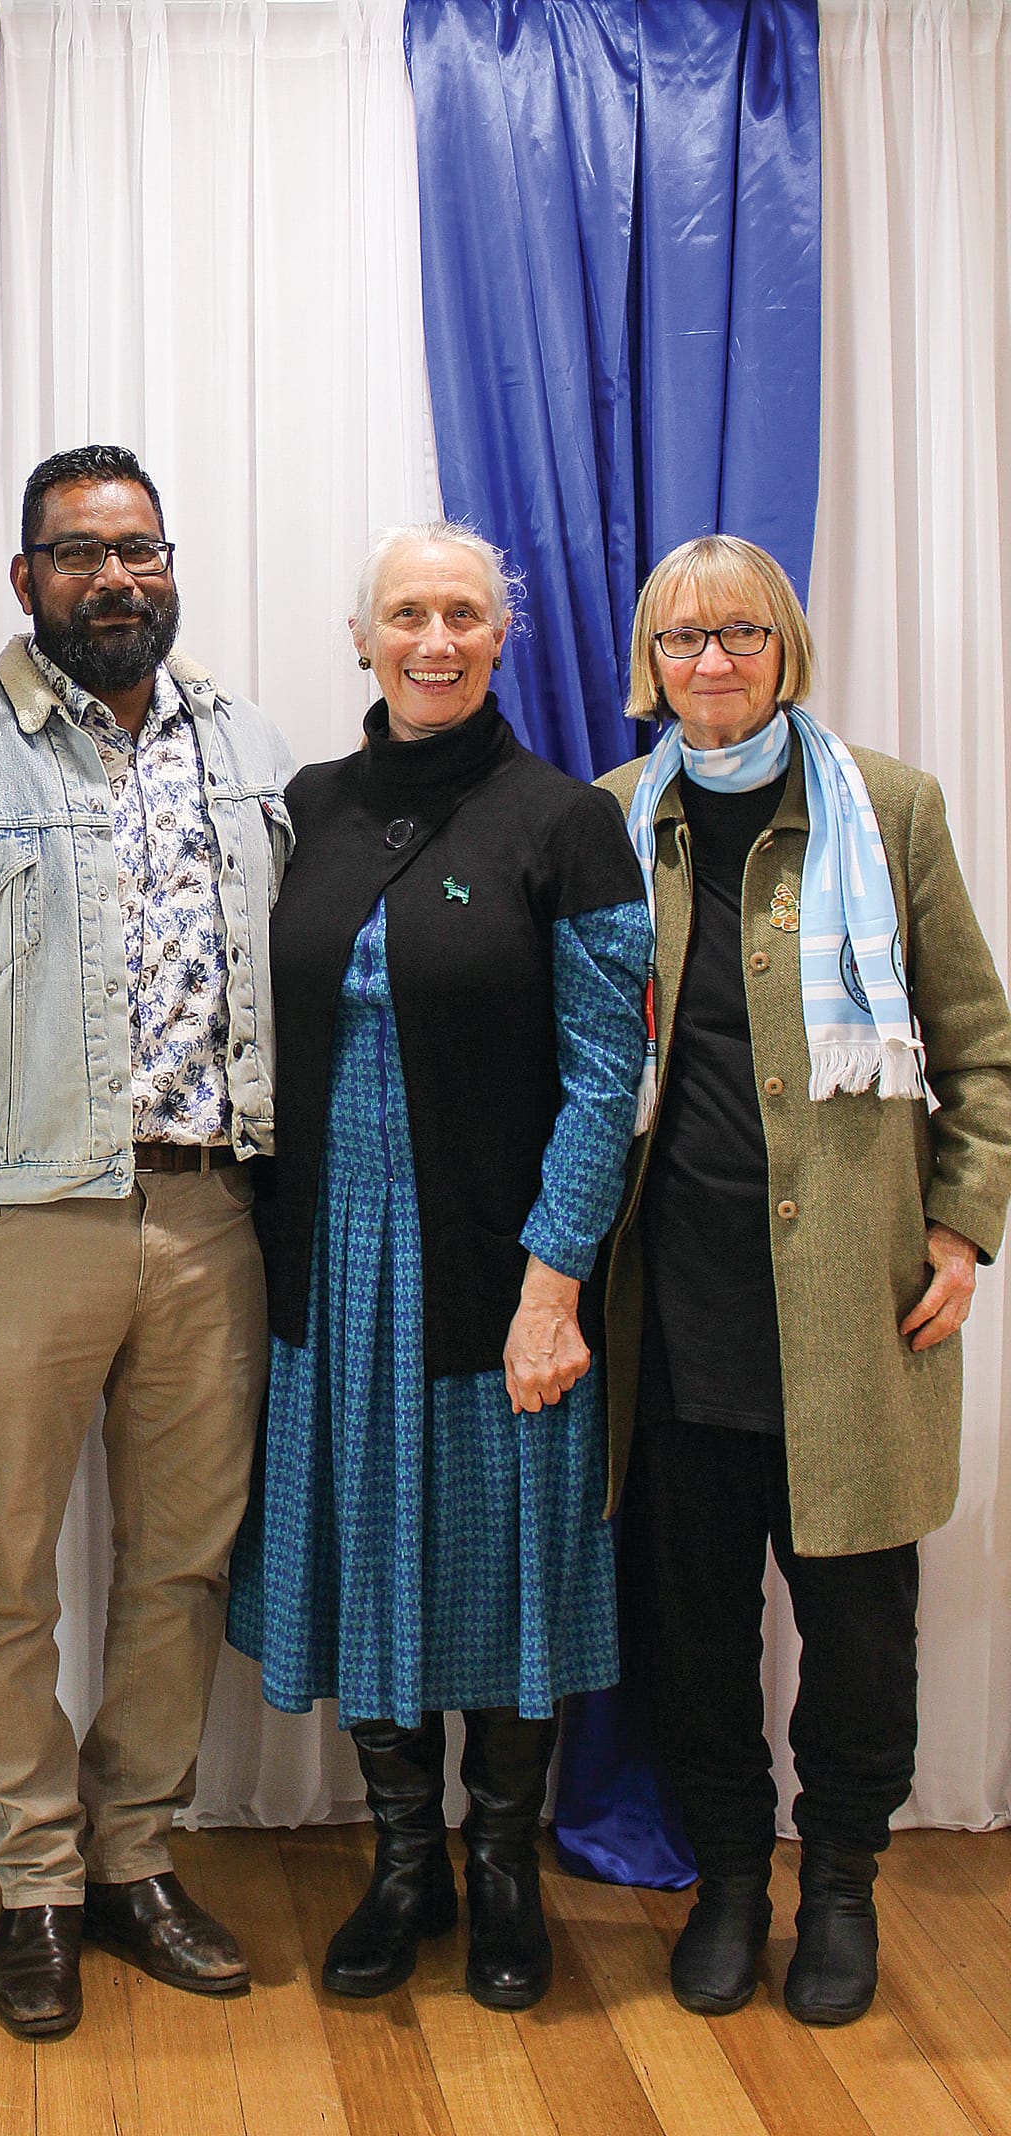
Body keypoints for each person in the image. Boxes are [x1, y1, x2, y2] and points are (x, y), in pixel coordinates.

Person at [0, 444, 295, 2040]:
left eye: (143, 552)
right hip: (21, 1217)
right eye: (82, 555)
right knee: (8, 1566)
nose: (118, 579)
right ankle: (34, 1878)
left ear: (170, 567)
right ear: (26, 579)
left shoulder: (252, 748)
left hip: (209, 1215)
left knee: (178, 1561)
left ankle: (134, 1858)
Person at [230, 522, 651, 2013]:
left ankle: (505, 1873)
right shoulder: (308, 807)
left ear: (501, 636)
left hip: (501, 1264)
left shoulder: (563, 821)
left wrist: (557, 1282)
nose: (434, 637)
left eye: (462, 612)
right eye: (407, 611)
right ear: (364, 636)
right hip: (327, 1262)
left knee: (508, 1568)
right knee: (364, 1557)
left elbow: (612, 1074)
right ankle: (405, 1864)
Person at [598, 534, 1011, 2026]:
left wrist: (962, 1228)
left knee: (855, 1637)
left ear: (789, 650)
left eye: (744, 636)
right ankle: (726, 1879)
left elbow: (976, 1045)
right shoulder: (607, 823)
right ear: (651, 665)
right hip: (675, 1315)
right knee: (694, 1631)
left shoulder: (888, 810)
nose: (715, 664)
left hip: (857, 1316)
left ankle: (839, 1884)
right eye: (686, 640)